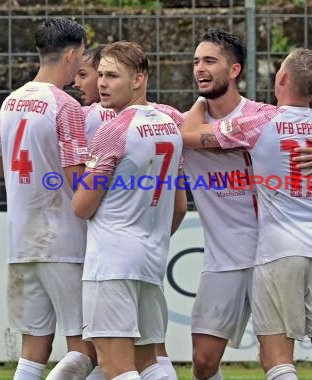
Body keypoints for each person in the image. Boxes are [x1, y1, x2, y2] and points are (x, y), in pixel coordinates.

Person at [182, 30, 312, 380]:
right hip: (303, 248)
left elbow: (188, 136)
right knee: (204, 361)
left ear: (236, 69)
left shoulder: (258, 120)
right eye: (196, 61)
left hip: (275, 249)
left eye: (209, 60)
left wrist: (197, 104)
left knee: (275, 355)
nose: (200, 68)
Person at [0, 17, 97, 380]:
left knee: (33, 349)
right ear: (71, 55)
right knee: (87, 348)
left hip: (21, 238)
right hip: (63, 240)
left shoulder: (11, 101)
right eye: (83, 53)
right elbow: (75, 176)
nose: (84, 61)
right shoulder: (64, 105)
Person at [72, 41, 184, 380]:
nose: (102, 83)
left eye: (113, 76)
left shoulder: (114, 128)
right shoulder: (170, 125)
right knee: (149, 361)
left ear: (138, 80)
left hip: (112, 259)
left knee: (116, 365)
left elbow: (82, 206)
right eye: (101, 75)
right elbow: (179, 206)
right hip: (150, 257)